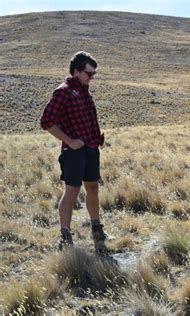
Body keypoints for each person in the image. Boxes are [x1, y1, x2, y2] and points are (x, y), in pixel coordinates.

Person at [40, 51, 109, 255]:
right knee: (71, 191)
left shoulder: (84, 90)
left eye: (94, 74)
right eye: (89, 74)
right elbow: (46, 122)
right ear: (77, 71)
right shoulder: (63, 92)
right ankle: (65, 236)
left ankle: (97, 229)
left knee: (93, 188)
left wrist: (96, 137)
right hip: (73, 153)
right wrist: (69, 141)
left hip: (91, 149)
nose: (92, 78)